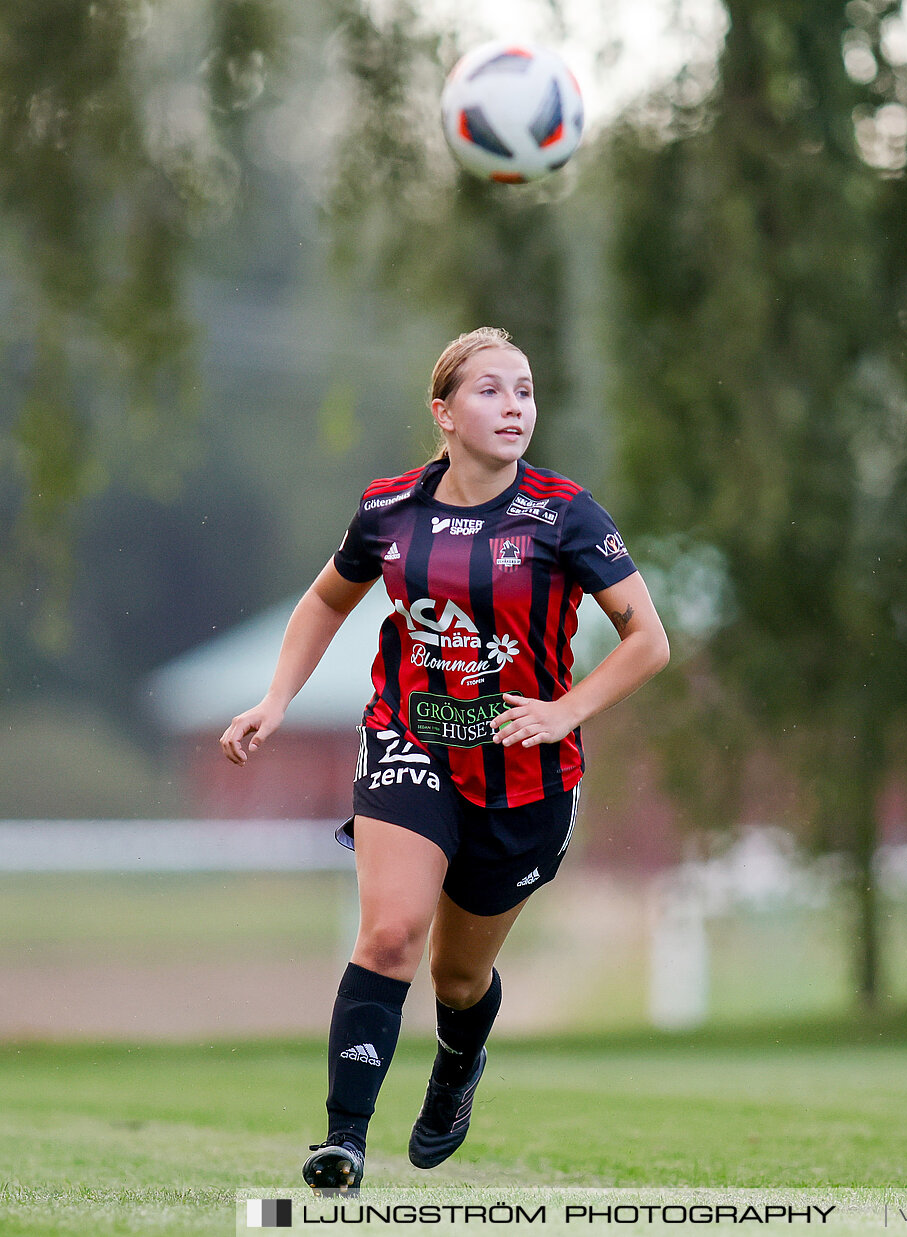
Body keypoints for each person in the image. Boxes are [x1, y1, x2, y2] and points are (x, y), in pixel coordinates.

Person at [220, 327, 669, 1190]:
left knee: (457, 976)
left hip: (527, 776)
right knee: (390, 933)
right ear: (444, 410)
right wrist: (275, 700)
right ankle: (344, 1139)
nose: (514, 407)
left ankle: (459, 1061)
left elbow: (648, 639)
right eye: (492, 390)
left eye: (526, 391)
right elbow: (324, 600)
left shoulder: (564, 513)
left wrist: (565, 709)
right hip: (410, 735)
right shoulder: (389, 509)